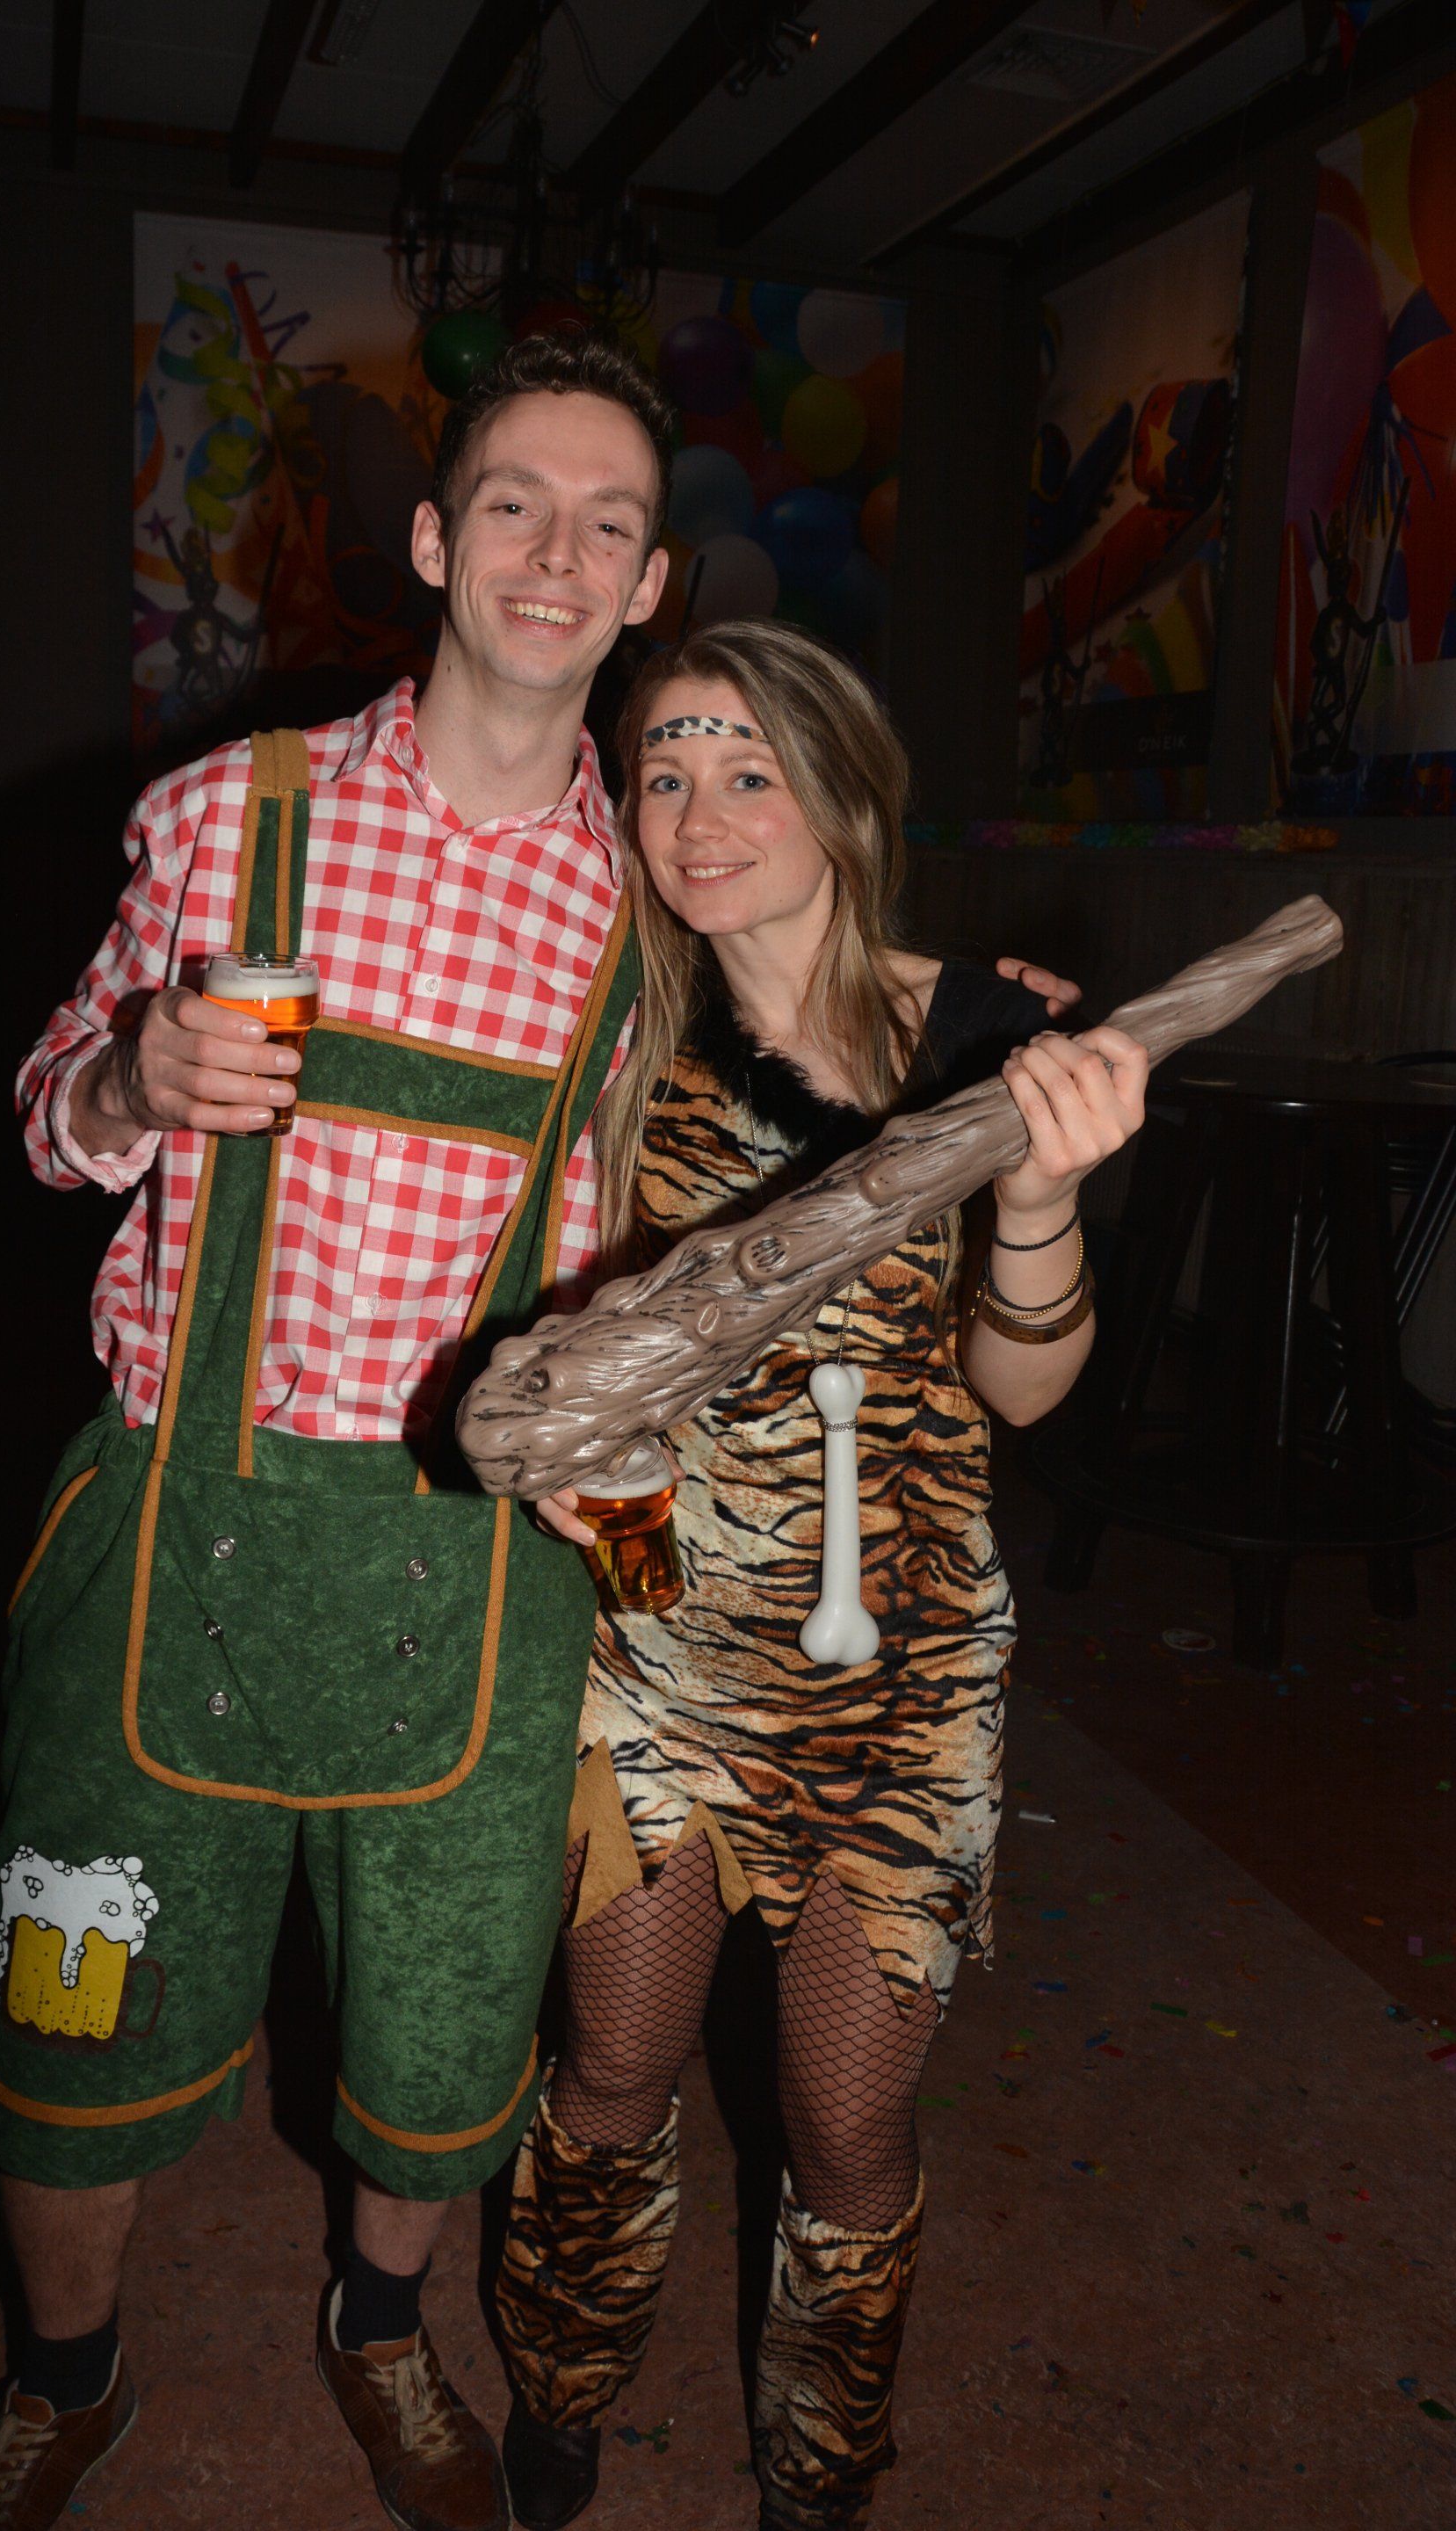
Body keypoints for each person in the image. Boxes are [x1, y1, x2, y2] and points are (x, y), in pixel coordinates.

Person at [0, 333, 1079, 2531]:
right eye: (517, 505)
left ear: (646, 585)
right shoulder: (223, 815)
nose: (558, 553)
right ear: (439, 541)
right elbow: (41, 1120)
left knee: (448, 2034)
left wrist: (1009, 1055)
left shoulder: (648, 904)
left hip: (480, 1569)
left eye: (609, 522)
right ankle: (62, 2377)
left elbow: (833, 999)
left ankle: (385, 2331)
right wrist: (129, 1077)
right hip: (173, 1526)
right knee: (71, 2003)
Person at [495, 620, 1148, 2531]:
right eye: (664, 775)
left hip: (907, 1682)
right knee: (614, 2063)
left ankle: (825, 2465)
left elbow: (1021, 1387)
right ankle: (561, 2376)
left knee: (850, 2119)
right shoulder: (615, 1043)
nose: (698, 817)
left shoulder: (990, 1041)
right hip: (667, 1662)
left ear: (848, 799)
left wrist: (1038, 1197)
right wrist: (563, 1443)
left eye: (748, 772)